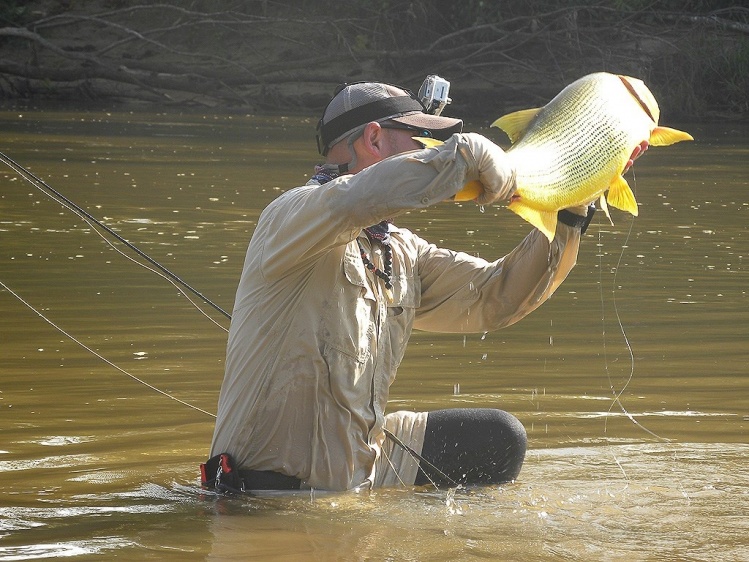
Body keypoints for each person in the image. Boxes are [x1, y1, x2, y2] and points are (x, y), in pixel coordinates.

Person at [203, 78, 595, 493]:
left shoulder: (400, 251)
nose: (430, 149)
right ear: (374, 138)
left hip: (361, 464)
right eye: (420, 138)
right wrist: (463, 155)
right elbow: (359, 196)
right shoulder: (291, 216)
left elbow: (497, 295)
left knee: (498, 439)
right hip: (270, 489)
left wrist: (570, 213)